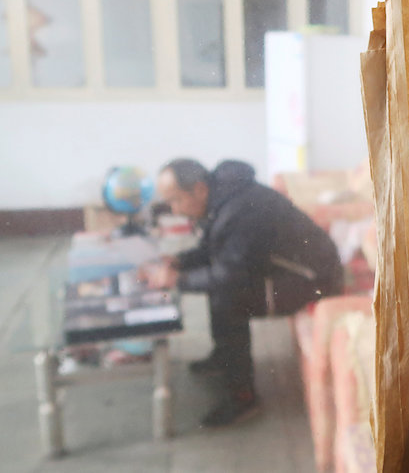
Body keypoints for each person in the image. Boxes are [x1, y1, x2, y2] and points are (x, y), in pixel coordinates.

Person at [143, 158, 344, 427]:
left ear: (200, 189)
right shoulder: (224, 198)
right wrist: (180, 261)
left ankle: (243, 397)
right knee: (218, 285)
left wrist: (177, 279)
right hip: (287, 270)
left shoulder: (238, 210)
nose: (174, 209)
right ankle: (223, 357)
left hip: (313, 279)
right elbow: (216, 249)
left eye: (176, 200)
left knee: (229, 297)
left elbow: (229, 276)